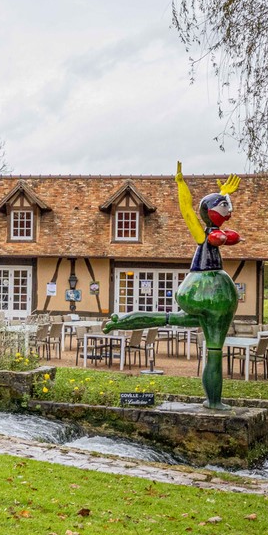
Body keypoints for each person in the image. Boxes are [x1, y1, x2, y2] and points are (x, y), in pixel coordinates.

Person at [103, 162, 241, 409]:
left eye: (227, 206)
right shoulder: (203, 236)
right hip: (200, 291)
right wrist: (180, 183)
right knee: (213, 349)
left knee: (189, 332)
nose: (228, 209)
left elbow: (228, 234)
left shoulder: (214, 233)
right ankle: (214, 401)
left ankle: (214, 401)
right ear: (209, 212)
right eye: (223, 206)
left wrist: (224, 194)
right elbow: (187, 209)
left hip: (212, 294)